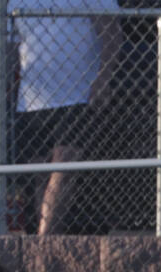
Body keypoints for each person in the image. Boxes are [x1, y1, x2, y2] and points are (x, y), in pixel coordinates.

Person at [10, 0, 122, 234]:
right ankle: (39, 234)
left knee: (64, 164)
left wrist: (103, 78)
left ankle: (44, 239)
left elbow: (111, 31)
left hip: (77, 94)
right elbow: (10, 44)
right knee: (39, 171)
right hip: (32, 98)